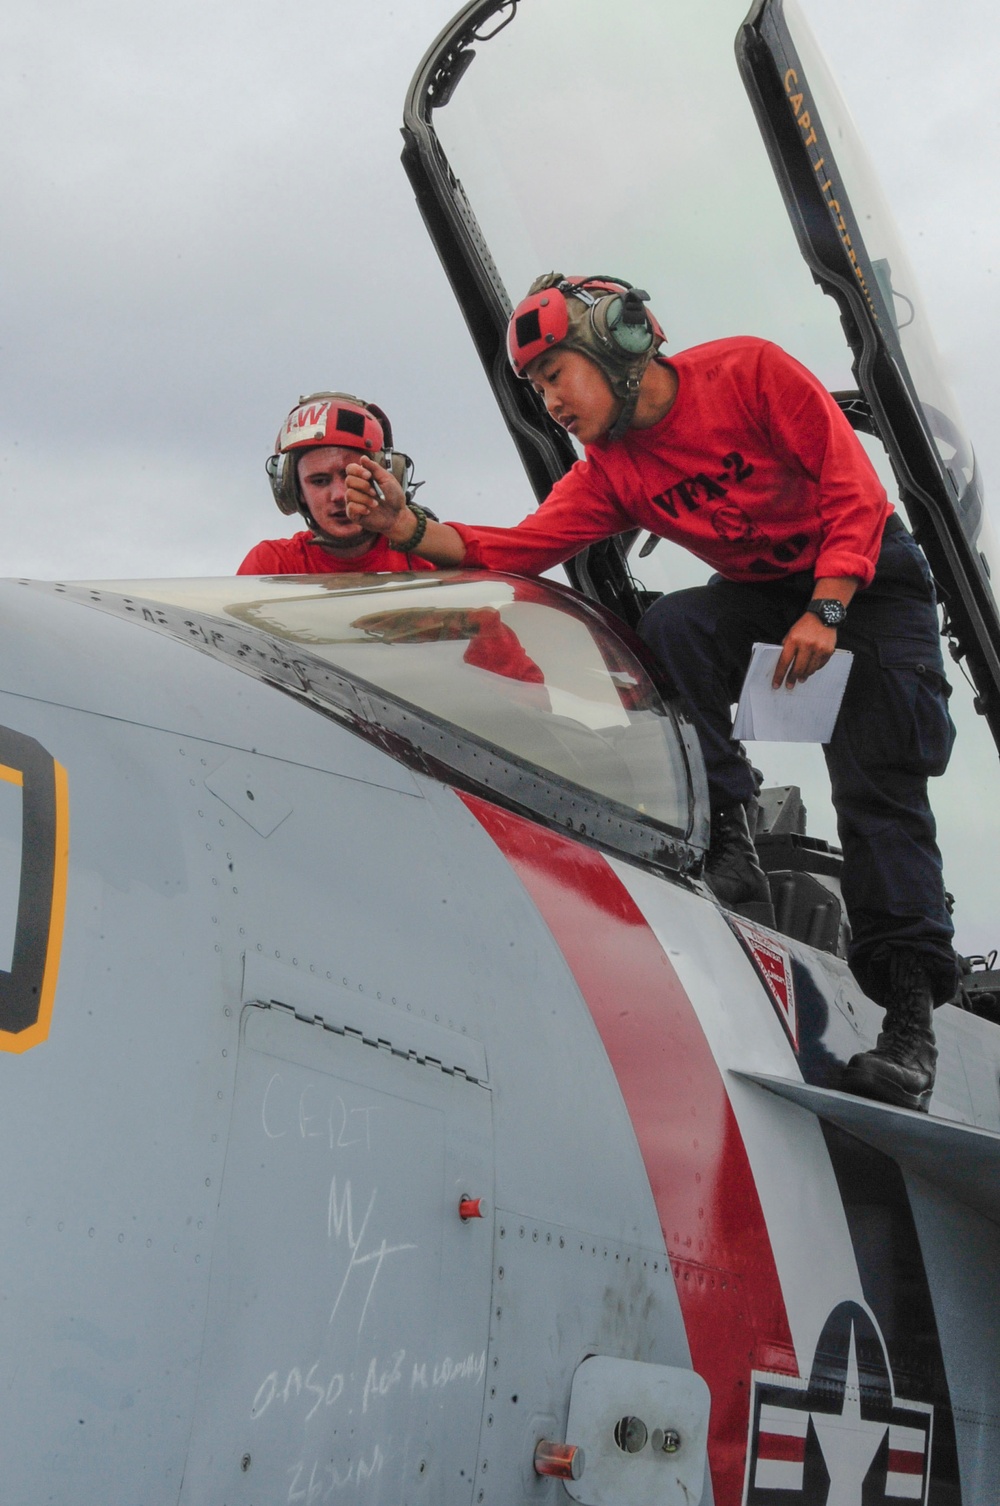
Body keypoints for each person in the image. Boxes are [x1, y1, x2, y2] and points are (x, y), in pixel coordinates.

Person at [342, 273, 959, 1114]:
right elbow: (522, 548)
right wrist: (405, 531)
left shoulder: (751, 374)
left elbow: (854, 489)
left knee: (878, 796)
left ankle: (911, 1031)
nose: (549, 399)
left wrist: (828, 605)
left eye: (556, 373)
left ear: (620, 340)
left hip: (872, 586)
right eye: (536, 387)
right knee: (674, 627)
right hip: (772, 593)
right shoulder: (611, 472)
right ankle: (731, 838)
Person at [238, 391, 435, 576]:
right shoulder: (271, 565)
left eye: (353, 475)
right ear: (295, 490)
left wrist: (407, 526)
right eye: (320, 481)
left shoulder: (430, 553)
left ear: (388, 476)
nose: (339, 495)